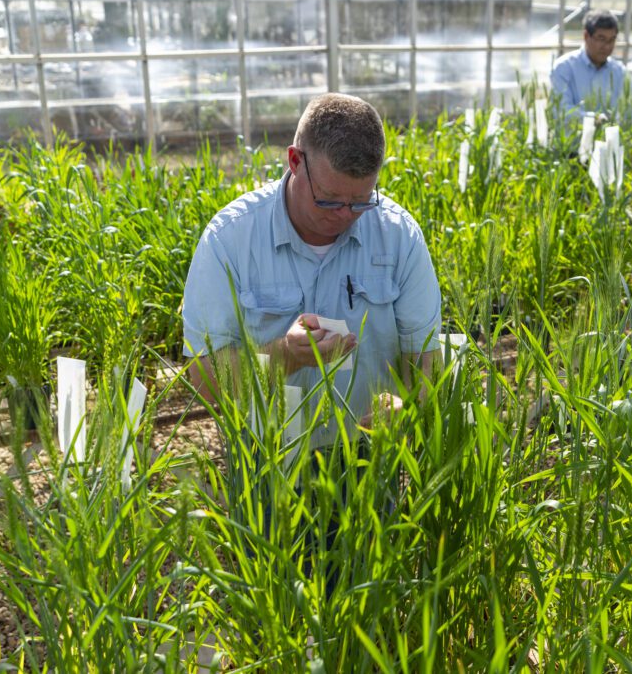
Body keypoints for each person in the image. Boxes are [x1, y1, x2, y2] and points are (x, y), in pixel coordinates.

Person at [182, 93, 441, 441]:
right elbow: (204, 380)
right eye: (328, 199)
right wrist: (285, 356)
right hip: (266, 459)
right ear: (294, 161)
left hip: (371, 457)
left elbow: (426, 358)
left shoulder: (398, 236)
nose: (344, 215)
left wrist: (408, 405)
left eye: (361, 202)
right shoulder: (230, 239)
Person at [549, 9, 626, 124]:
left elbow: (630, 110)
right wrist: (597, 119)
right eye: (601, 39)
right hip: (575, 136)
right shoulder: (564, 67)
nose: (607, 46)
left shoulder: (619, 71)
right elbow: (561, 111)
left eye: (612, 40)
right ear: (586, 36)